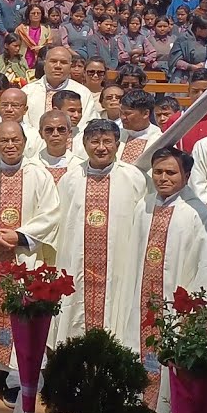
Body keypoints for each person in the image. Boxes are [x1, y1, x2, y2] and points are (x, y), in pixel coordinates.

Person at [129, 147, 207, 413]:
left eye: (171, 172)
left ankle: (169, 412)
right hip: (143, 300)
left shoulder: (198, 214)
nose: (163, 178)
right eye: (157, 172)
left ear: (187, 175)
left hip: (176, 307)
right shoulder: (144, 205)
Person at [0, 121, 62, 405]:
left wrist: (20, 235)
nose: (9, 145)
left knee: (20, 314)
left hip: (23, 258)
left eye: (14, 140)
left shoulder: (39, 175)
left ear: (24, 141)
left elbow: (51, 214)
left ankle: (15, 378)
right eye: (3, 140)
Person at [50, 119, 148, 348]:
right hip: (77, 266)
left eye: (107, 141)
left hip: (119, 266)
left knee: (116, 313)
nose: (101, 147)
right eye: (95, 141)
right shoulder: (70, 179)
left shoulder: (134, 177)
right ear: (84, 144)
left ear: (117, 144)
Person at [22, 46, 94, 129]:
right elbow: (23, 123)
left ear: (70, 66)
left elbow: (88, 125)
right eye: (53, 61)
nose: (58, 66)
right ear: (44, 64)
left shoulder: (83, 93)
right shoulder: (28, 91)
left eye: (63, 62)